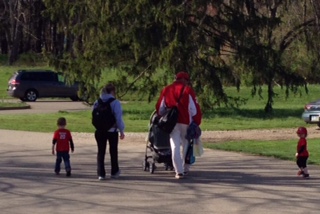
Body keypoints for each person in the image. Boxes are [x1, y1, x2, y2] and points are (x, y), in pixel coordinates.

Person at [155, 71, 202, 179]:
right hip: (185, 121)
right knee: (185, 145)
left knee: (174, 145)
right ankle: (185, 168)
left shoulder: (167, 89)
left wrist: (163, 115)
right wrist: (196, 121)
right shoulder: (188, 90)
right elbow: (194, 109)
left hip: (172, 122)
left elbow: (160, 108)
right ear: (185, 80)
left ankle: (178, 171)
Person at [93, 83, 125, 180]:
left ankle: (101, 173)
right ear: (112, 91)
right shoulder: (115, 102)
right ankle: (114, 172)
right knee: (113, 151)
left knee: (101, 152)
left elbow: (94, 116)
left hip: (99, 130)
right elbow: (118, 118)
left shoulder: (97, 102)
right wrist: (122, 130)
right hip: (112, 130)